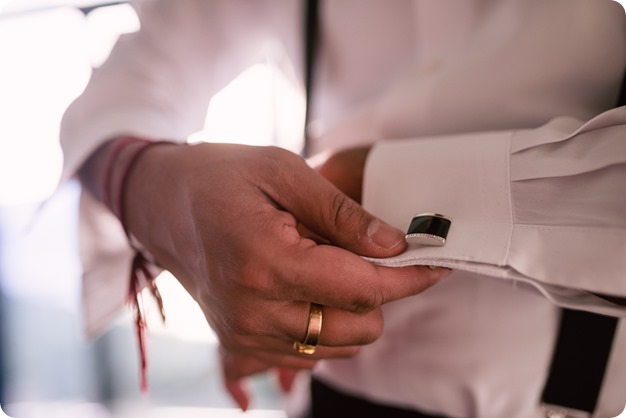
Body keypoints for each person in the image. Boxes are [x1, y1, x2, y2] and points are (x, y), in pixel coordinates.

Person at [59, 0, 626, 417]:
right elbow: (131, 79)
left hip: (565, 396)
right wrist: (162, 194)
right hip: (320, 394)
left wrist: (370, 183)